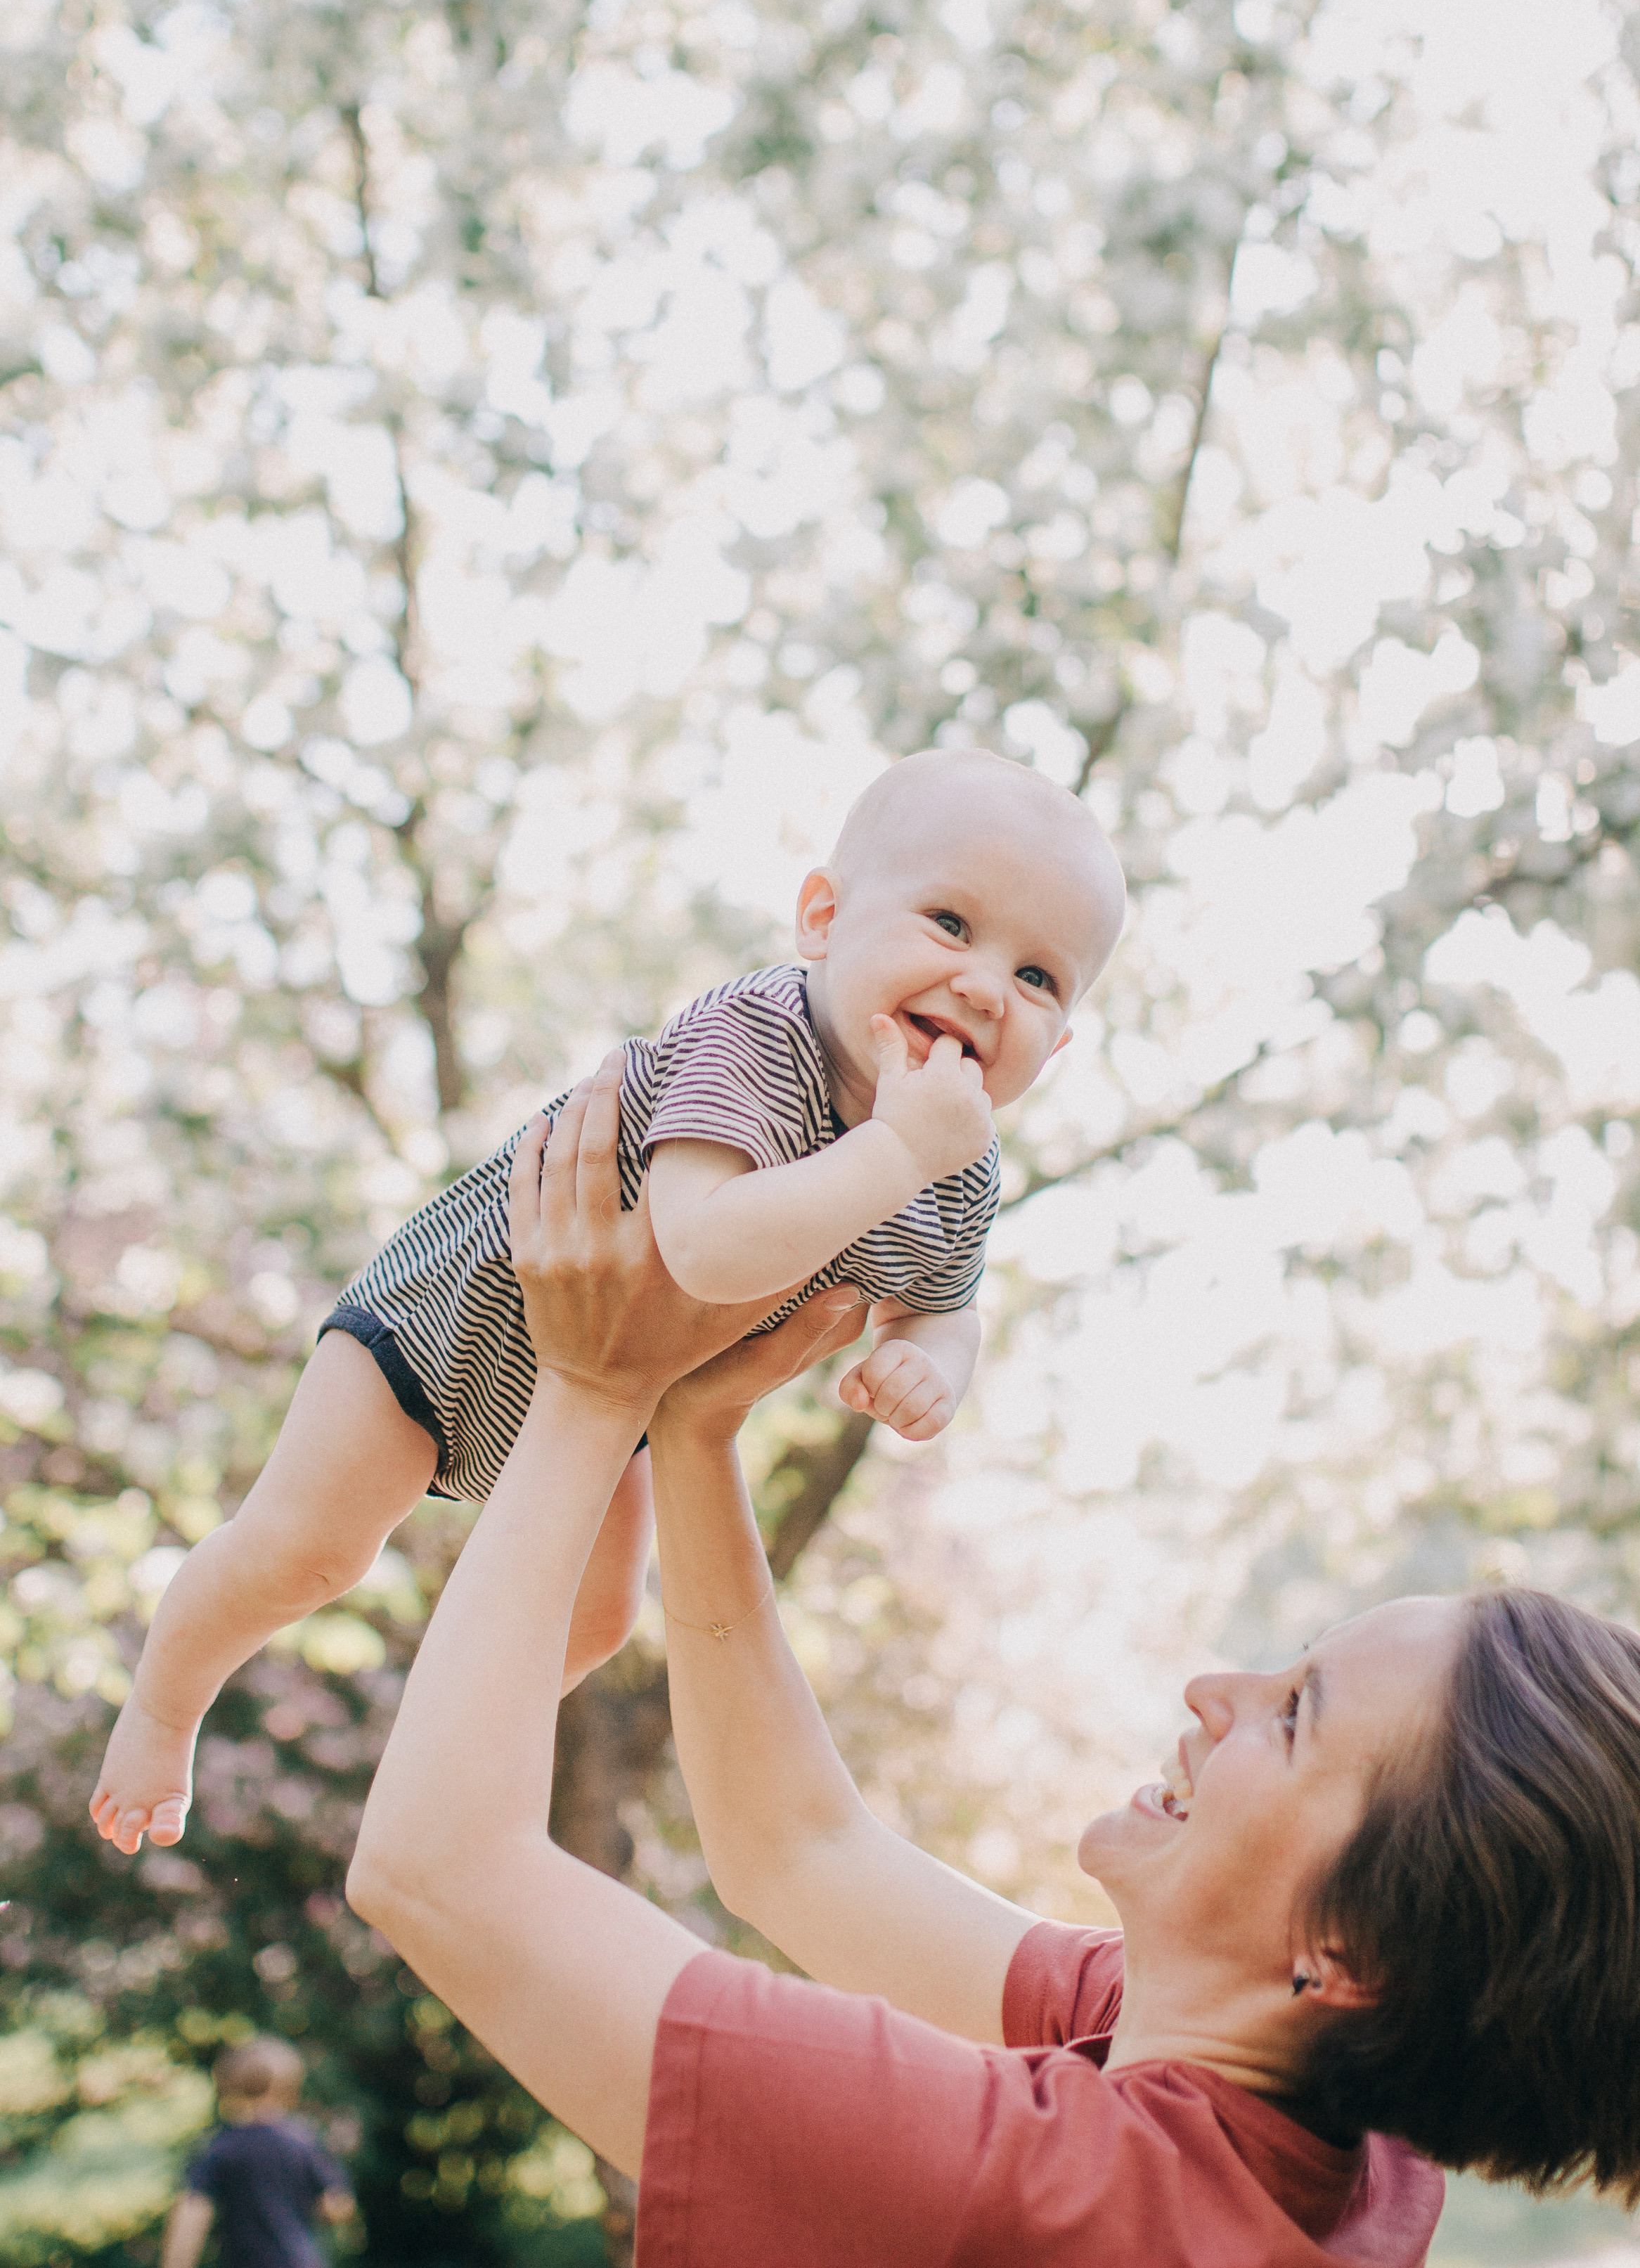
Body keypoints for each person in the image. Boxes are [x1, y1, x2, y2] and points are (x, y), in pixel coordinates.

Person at [344, 1061, 1640, 2266]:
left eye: (1293, 1717)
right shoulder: (1333, 2123)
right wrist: (694, 1434)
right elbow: (799, 1857)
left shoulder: (1033, 2192)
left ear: (1345, 1954)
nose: (1214, 1690)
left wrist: (585, 1388)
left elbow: (440, 1868)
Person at [91, 747, 1125, 1855]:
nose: (982, 985)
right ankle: (164, 1706)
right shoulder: (762, 1037)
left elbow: (943, 1297)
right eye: (950, 924)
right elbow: (706, 1250)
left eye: (1036, 978)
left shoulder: (957, 1160)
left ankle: (441, 1741)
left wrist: (933, 1360)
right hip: (445, 1324)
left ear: (1056, 1048)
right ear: (821, 918)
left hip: (613, 1397)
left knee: (599, 1617)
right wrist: (897, 1153)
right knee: (308, 1552)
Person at [161, 2037, 354, 2268]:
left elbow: (191, 2216)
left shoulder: (221, 2146)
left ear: (227, 2084)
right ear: (290, 2086)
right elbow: (339, 2206)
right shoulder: (303, 2140)